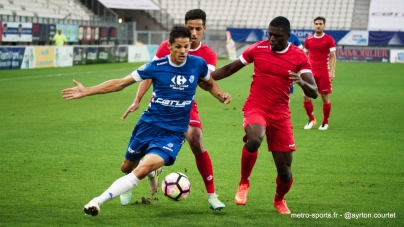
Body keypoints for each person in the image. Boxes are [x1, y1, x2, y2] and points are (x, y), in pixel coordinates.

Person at [61, 26, 231, 216]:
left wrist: (220, 95)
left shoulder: (198, 64)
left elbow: (209, 83)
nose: (183, 51)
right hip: (148, 125)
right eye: (178, 47)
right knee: (126, 167)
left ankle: (97, 201)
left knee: (142, 168)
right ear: (169, 46)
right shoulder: (156, 67)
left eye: (186, 46)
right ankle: (151, 174)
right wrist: (87, 91)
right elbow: (120, 83)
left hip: (173, 133)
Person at [210, 16, 318, 214]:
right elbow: (229, 68)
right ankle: (244, 183)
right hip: (256, 106)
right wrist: (205, 78)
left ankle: (279, 199)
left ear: (288, 36)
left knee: (285, 172)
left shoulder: (299, 56)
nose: (272, 39)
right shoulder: (257, 49)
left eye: (277, 36)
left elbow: (314, 91)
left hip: (280, 114)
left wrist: (301, 82)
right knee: (255, 138)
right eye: (270, 35)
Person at [120, 9, 226, 211]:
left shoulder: (207, 55)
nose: (193, 33)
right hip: (160, 103)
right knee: (140, 149)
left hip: (186, 104)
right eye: (189, 28)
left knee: (196, 140)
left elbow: (207, 83)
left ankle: (212, 195)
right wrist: (137, 99)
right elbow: (151, 73)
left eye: (197, 29)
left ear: (204, 29)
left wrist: (220, 94)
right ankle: (132, 180)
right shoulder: (165, 47)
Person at [302, 16, 337, 130]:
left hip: (324, 72)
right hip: (310, 72)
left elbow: (333, 56)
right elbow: (304, 55)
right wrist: (302, 70)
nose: (318, 25)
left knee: (324, 96)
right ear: (313, 25)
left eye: (320, 23)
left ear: (324, 25)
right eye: (316, 23)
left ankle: (325, 122)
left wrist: (332, 71)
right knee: (306, 96)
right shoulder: (308, 39)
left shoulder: (329, 39)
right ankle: (311, 120)